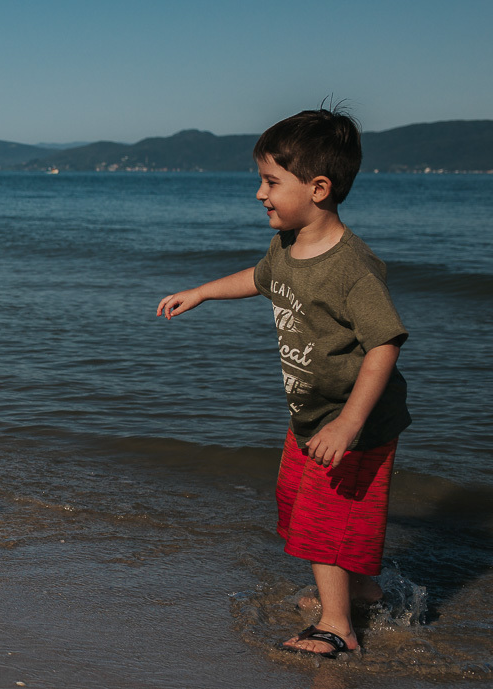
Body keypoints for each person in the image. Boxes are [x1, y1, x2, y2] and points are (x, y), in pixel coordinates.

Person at [156, 108, 410, 658]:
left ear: (318, 188)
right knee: (300, 503)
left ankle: (337, 626)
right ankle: (360, 589)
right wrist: (201, 292)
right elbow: (258, 278)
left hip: (353, 420)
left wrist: (348, 423)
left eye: (271, 182)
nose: (259, 194)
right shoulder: (288, 247)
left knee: (323, 519)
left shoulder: (352, 268)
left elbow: (384, 343)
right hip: (311, 414)